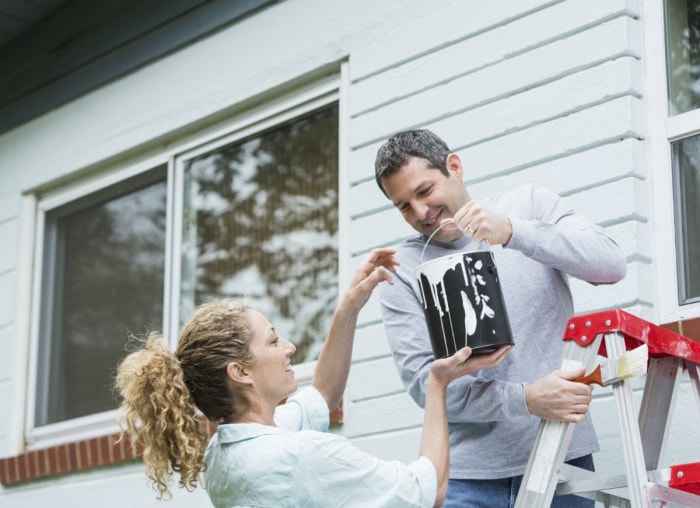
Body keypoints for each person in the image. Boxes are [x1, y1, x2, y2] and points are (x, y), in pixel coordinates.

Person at [114, 247, 511, 508]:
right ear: (240, 372)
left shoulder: (226, 454)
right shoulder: (300, 456)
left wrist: (349, 307)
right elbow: (430, 491)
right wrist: (437, 385)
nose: (288, 347)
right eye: (272, 341)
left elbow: (323, 392)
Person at [374, 129, 627, 508]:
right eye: (404, 206)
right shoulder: (402, 269)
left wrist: (513, 233)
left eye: (424, 191)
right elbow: (423, 384)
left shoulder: (527, 205)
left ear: (454, 167)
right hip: (466, 480)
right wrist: (525, 399)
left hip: (561, 459)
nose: (421, 213)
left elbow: (610, 263)